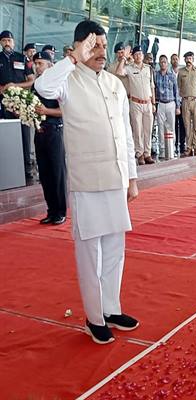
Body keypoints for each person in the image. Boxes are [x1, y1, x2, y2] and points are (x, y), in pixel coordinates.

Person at [35, 20, 140, 344]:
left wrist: (132, 178)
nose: (101, 52)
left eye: (104, 46)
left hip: (116, 177)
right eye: (94, 46)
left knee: (115, 249)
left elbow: (125, 134)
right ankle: (94, 318)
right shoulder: (67, 79)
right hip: (87, 181)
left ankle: (111, 308)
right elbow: (43, 88)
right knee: (90, 253)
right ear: (79, 47)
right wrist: (73, 59)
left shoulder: (114, 83)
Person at [32, 51, 67, 225]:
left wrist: (47, 111)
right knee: (45, 173)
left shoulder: (58, 84)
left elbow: (66, 110)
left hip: (54, 130)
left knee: (57, 173)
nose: (37, 67)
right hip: (39, 132)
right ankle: (51, 210)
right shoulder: (36, 84)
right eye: (35, 63)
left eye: (41, 63)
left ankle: (60, 211)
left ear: (50, 65)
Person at [0, 30, 35, 181]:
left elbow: (31, 81)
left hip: (21, 102)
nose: (7, 43)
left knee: (24, 136)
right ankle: (9, 168)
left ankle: (27, 168)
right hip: (4, 103)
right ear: (1, 43)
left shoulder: (22, 58)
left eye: (9, 40)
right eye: (4, 40)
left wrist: (15, 86)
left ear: (14, 42)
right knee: (7, 136)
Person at [116, 45, 156, 165]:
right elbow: (119, 72)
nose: (138, 56)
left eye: (140, 54)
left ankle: (147, 153)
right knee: (137, 130)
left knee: (148, 129)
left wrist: (153, 103)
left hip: (148, 103)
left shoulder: (148, 68)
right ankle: (140, 154)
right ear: (133, 56)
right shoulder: (129, 68)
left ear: (143, 55)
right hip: (136, 103)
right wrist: (124, 58)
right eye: (136, 54)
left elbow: (152, 86)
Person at [177, 51, 196, 156]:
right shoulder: (181, 72)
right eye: (187, 58)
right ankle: (189, 147)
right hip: (185, 101)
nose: (188, 60)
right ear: (184, 60)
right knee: (187, 125)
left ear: (193, 60)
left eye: (190, 58)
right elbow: (178, 87)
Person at [154, 54, 180, 160]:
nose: (163, 64)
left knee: (171, 127)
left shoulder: (172, 75)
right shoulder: (156, 75)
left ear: (167, 63)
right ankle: (162, 150)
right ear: (159, 63)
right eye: (161, 62)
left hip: (170, 103)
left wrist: (178, 106)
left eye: (164, 62)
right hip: (160, 103)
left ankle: (172, 149)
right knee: (160, 127)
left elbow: (176, 91)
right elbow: (154, 89)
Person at [169, 53, 186, 155]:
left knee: (183, 125)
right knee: (174, 125)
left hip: (182, 101)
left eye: (176, 59)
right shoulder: (168, 73)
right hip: (172, 102)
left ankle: (182, 145)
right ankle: (174, 145)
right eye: (173, 59)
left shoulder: (183, 72)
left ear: (179, 61)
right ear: (171, 61)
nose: (175, 61)